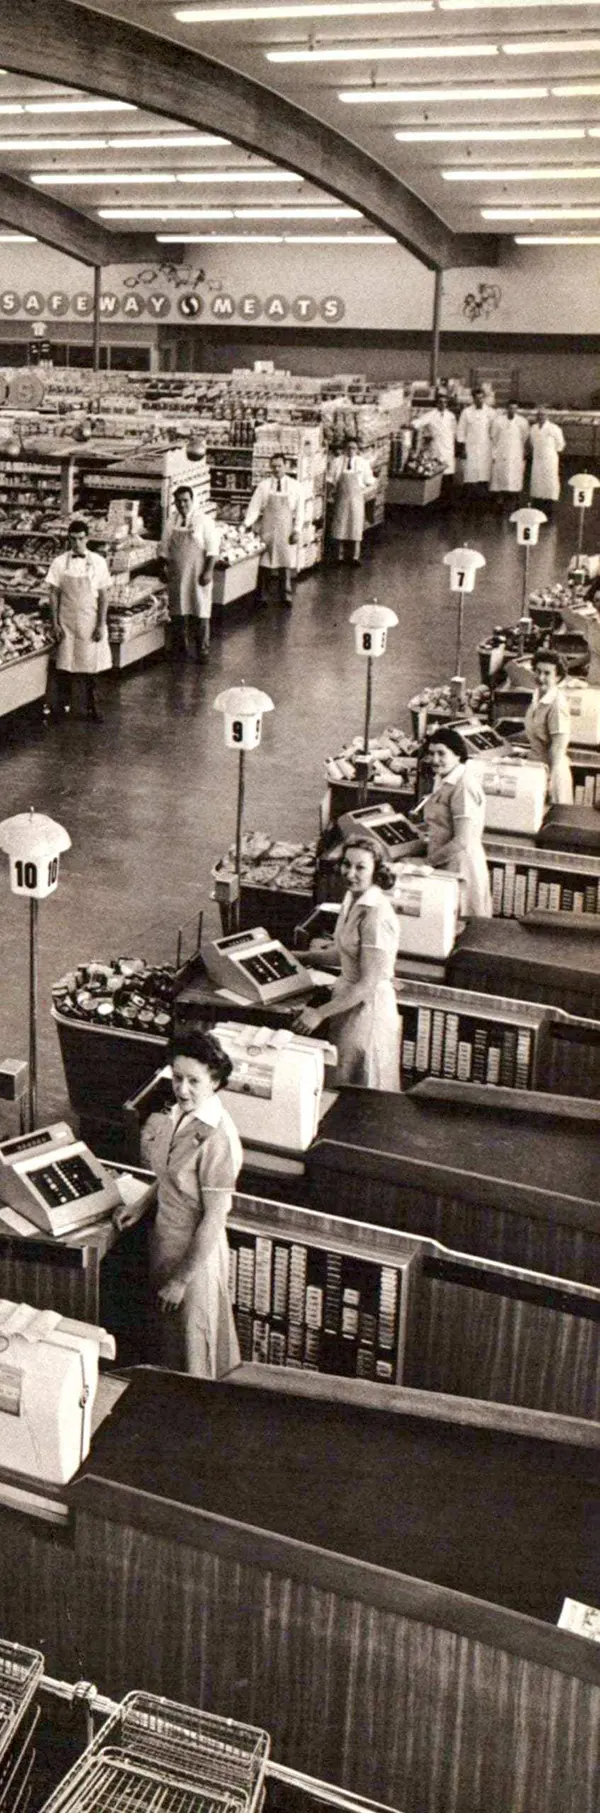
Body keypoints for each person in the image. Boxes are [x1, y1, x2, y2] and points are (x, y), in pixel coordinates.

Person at [115, 1030, 242, 1379]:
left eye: (194, 1081)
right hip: (165, 1243)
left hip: (193, 1259)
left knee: (193, 1352)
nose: (182, 1089)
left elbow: (215, 1218)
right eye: (177, 1078)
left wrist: (182, 1280)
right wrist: (141, 1204)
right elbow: (173, 1174)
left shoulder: (218, 1136)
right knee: (169, 1346)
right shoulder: (181, 1114)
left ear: (215, 1081)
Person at [294, 834, 400, 1090]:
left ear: (376, 871)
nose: (350, 873)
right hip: (347, 1001)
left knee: (361, 1084)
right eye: (346, 864)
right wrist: (298, 956)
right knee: (344, 1077)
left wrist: (319, 1013)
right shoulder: (352, 899)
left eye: (360, 867)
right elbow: (342, 953)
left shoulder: (375, 915)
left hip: (367, 1010)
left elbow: (367, 983)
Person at [416, 726, 492, 919]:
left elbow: (461, 841)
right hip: (445, 861)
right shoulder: (444, 778)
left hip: (460, 866)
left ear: (458, 755)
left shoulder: (463, 786)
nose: (435, 760)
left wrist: (425, 863)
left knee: (460, 924)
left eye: (441, 753)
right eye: (431, 753)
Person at [46, 518, 112, 722]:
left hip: (89, 621)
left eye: (81, 539)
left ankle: (93, 707)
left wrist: (101, 624)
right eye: (73, 540)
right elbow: (54, 594)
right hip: (66, 622)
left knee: (91, 667)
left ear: (88, 539)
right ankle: (60, 708)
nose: (77, 544)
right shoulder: (59, 563)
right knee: (64, 666)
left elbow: (104, 596)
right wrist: (55, 623)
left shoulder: (98, 562)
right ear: (68, 540)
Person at [160, 484, 220, 663]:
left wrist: (208, 571)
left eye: (185, 500)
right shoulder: (171, 521)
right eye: (178, 501)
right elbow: (164, 547)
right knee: (179, 610)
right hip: (177, 573)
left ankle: (203, 650)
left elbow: (213, 549)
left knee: (200, 609)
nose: (182, 504)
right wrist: (163, 566)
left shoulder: (204, 521)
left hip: (198, 572)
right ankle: (181, 649)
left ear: (192, 500)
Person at [244, 452, 303, 605]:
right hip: (267, 529)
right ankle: (261, 595)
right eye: (274, 466)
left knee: (285, 562)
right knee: (264, 561)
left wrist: (297, 530)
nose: (277, 469)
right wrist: (246, 524)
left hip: (286, 530)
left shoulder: (295, 487)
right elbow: (254, 508)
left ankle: (286, 595)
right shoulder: (263, 486)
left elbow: (301, 511)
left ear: (286, 466)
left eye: (280, 466)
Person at [524, 648, 573, 805]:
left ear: (558, 677)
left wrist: (550, 782)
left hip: (551, 775)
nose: (540, 677)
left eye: (547, 673)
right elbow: (535, 731)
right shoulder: (537, 696)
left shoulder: (557, 704)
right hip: (536, 770)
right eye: (537, 671)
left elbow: (558, 748)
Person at [328, 436, 376, 564]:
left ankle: (354, 557)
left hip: (357, 499)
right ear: (344, 449)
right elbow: (330, 480)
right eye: (348, 448)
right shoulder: (336, 462)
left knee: (355, 527)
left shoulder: (363, 463)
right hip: (341, 498)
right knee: (340, 526)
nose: (351, 450)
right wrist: (330, 495)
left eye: (353, 448)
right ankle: (339, 555)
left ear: (357, 450)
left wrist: (365, 494)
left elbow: (370, 481)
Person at [411, 393, 457, 499]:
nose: (443, 404)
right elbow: (419, 421)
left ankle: (448, 502)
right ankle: (437, 502)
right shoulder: (431, 415)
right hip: (436, 447)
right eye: (440, 402)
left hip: (448, 448)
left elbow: (454, 432)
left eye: (445, 402)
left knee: (448, 476)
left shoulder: (451, 416)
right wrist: (412, 425)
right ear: (437, 403)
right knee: (437, 476)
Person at [456, 386, 495, 499]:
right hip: (471, 448)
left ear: (484, 398)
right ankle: (469, 501)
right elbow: (461, 431)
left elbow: (494, 432)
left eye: (482, 398)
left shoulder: (491, 412)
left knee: (484, 474)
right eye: (477, 398)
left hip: (486, 448)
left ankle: (483, 502)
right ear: (473, 399)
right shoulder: (466, 412)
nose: (480, 400)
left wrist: (493, 450)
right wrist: (462, 448)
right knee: (470, 474)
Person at [489, 400, 529, 506]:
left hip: (516, 452)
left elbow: (524, 437)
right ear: (507, 408)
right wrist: (495, 451)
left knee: (515, 474)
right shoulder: (498, 421)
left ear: (517, 409)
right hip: (501, 451)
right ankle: (500, 496)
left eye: (514, 408)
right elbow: (493, 436)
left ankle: (514, 497)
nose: (512, 410)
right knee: (500, 473)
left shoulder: (522, 421)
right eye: (510, 408)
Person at [529, 407, 566, 520]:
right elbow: (532, 442)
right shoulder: (534, 428)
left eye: (543, 415)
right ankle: (537, 503)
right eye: (539, 415)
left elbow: (561, 444)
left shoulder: (554, 428)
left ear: (547, 416)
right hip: (537, 458)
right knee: (537, 480)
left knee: (549, 480)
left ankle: (549, 505)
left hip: (550, 459)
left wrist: (550, 451)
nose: (540, 417)